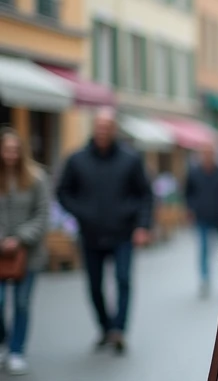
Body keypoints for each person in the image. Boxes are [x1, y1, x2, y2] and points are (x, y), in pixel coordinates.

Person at [56, 108, 154, 354]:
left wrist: (142, 225)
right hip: (90, 233)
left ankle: (118, 330)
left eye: (107, 127)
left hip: (123, 232)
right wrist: (81, 212)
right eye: (99, 126)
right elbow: (62, 191)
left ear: (114, 130)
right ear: (93, 128)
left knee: (123, 280)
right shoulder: (77, 159)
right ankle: (105, 327)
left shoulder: (130, 159)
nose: (103, 131)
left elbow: (145, 195)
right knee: (94, 285)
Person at [0, 128, 49, 374]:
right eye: (6, 149)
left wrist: (19, 238)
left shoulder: (36, 178)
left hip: (27, 253)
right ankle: (3, 341)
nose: (10, 154)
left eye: (14, 150)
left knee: (21, 302)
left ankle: (17, 350)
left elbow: (42, 214)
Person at [184, 143, 218, 296]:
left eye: (210, 153)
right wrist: (190, 209)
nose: (207, 156)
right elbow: (188, 193)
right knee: (204, 250)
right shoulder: (193, 172)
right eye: (205, 153)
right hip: (202, 216)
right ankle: (205, 279)